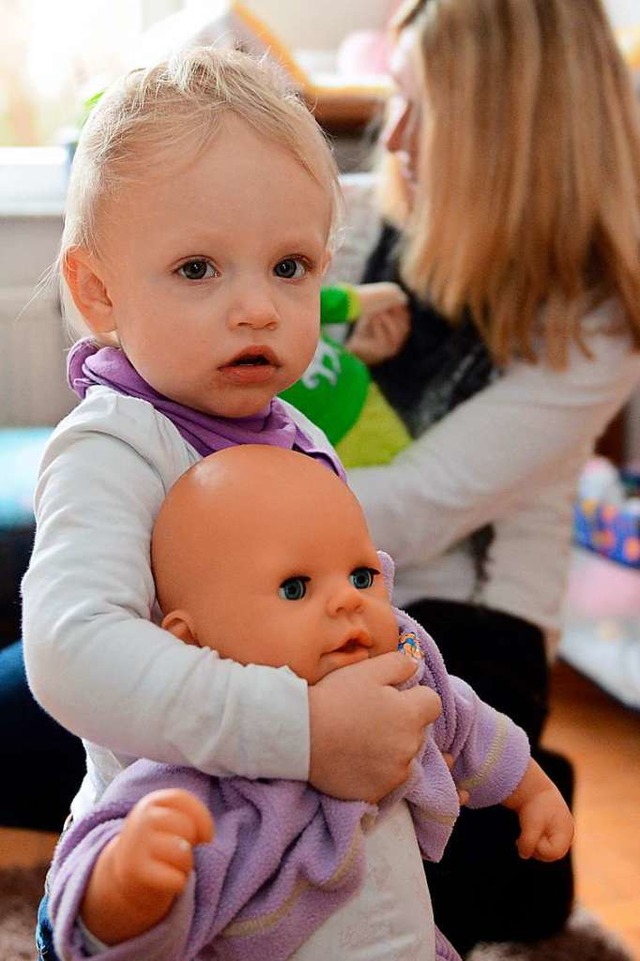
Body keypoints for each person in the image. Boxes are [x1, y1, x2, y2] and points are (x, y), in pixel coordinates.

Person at [20, 48, 440, 959]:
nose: (256, 307)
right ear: (98, 291)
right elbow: (69, 648)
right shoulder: (116, 448)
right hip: (181, 867)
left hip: (328, 852)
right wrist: (303, 730)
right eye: (199, 267)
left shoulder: (301, 437)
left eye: (289, 267)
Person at [341, 0, 640, 953]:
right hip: (314, 584)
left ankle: (508, 828)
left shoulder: (595, 320)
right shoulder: (381, 227)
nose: (392, 137)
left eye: (423, 109)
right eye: (395, 98)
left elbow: (411, 510)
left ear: (510, 132)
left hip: (461, 633)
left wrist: (208, 519)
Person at [47, 446, 574, 961]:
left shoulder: (399, 691)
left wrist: (531, 791)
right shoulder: (203, 775)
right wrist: (128, 883)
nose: (348, 599)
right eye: (295, 588)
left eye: (362, 576)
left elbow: (464, 719)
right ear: (192, 644)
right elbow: (91, 917)